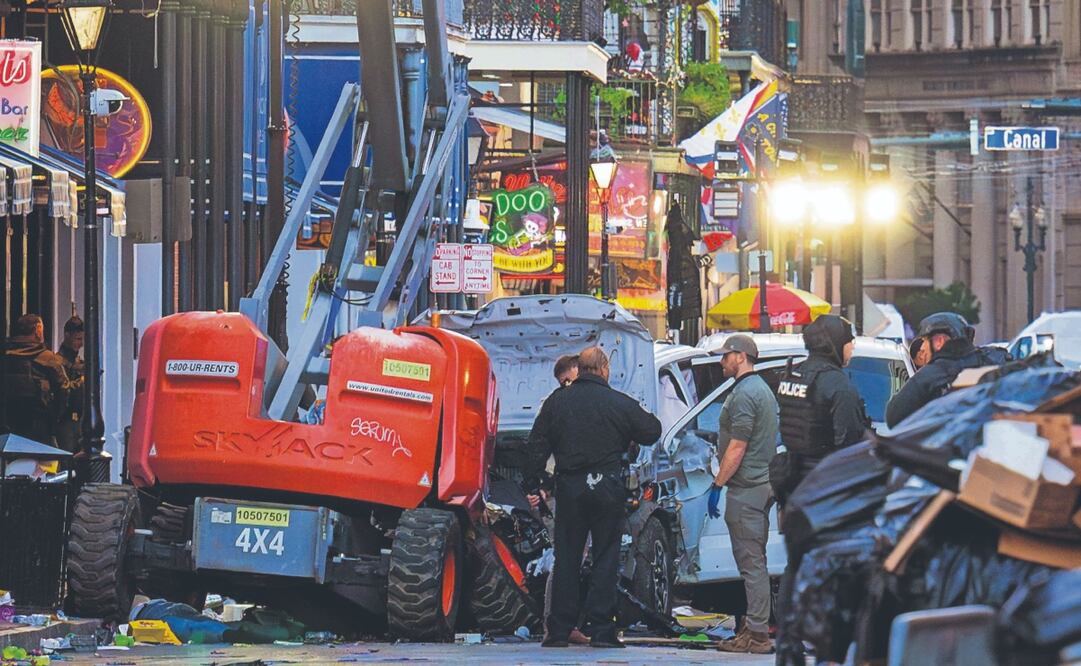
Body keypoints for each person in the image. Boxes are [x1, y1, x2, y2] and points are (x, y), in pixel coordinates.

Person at [528, 346, 661, 649]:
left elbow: (535, 445)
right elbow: (651, 430)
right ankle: (602, 631)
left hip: (570, 489)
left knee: (567, 559)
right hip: (606, 488)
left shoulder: (556, 402)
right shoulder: (618, 402)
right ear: (603, 368)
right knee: (605, 557)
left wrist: (535, 482)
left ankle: (560, 629)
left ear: (580, 368)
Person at [774, 315, 869, 665]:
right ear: (833, 343)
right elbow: (849, 445)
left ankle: (790, 646)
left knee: (796, 565)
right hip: (829, 490)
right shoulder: (837, 386)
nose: (852, 348)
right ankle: (830, 646)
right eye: (849, 340)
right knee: (837, 569)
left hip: (794, 483)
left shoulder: (792, 376)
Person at [707, 335, 778, 654]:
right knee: (754, 560)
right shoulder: (758, 389)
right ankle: (752, 628)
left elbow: (738, 447)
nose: (722, 362)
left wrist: (717, 484)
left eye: (726, 356)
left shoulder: (746, 393)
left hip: (747, 487)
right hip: (758, 485)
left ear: (741, 356)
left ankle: (759, 635)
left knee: (751, 563)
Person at [885, 312, 1008, 428]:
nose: (922, 348)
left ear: (939, 341)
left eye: (924, 341)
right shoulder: (995, 362)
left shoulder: (930, 375)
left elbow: (893, 417)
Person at [4, 314, 74, 445]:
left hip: (9, 426)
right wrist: (55, 418)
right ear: (37, 330)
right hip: (40, 427)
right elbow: (64, 390)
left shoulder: (6, 357)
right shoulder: (47, 358)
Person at [55, 316, 86, 452]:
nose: (81, 344)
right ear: (67, 335)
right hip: (65, 421)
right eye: (78, 339)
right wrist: (84, 380)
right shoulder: (57, 362)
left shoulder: (78, 361)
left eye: (82, 339)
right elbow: (64, 391)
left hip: (79, 420)